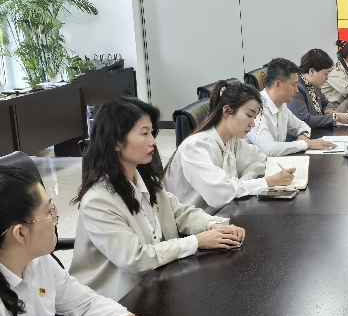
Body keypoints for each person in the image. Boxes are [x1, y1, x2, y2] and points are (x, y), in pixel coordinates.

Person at [71, 97, 246, 301]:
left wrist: (215, 225)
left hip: (157, 282)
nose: (153, 141)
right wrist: (197, 241)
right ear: (117, 142)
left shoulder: (145, 180)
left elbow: (179, 213)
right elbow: (134, 259)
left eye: (152, 133)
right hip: (116, 299)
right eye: (144, 133)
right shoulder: (98, 200)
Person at [0, 165, 149, 316]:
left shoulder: (39, 261)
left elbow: (86, 303)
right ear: (20, 233)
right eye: (49, 211)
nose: (55, 217)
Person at [164, 82, 296, 213]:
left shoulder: (232, 140)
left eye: (255, 117)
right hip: (190, 221)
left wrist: (241, 181)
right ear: (227, 111)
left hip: (221, 213)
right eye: (249, 115)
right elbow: (219, 194)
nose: (253, 124)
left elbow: (260, 160)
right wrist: (267, 181)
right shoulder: (196, 147)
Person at [246, 58, 337, 155]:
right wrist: (306, 144)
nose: (297, 90)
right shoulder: (256, 110)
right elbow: (270, 149)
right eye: (294, 85)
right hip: (259, 163)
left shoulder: (281, 105)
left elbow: (301, 126)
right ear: (278, 85)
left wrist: (303, 136)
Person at [288, 49, 348, 129]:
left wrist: (327, 111)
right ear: (312, 71)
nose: (327, 78)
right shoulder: (296, 88)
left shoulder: (315, 85)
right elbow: (304, 120)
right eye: (326, 74)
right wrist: (335, 117)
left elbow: (326, 104)